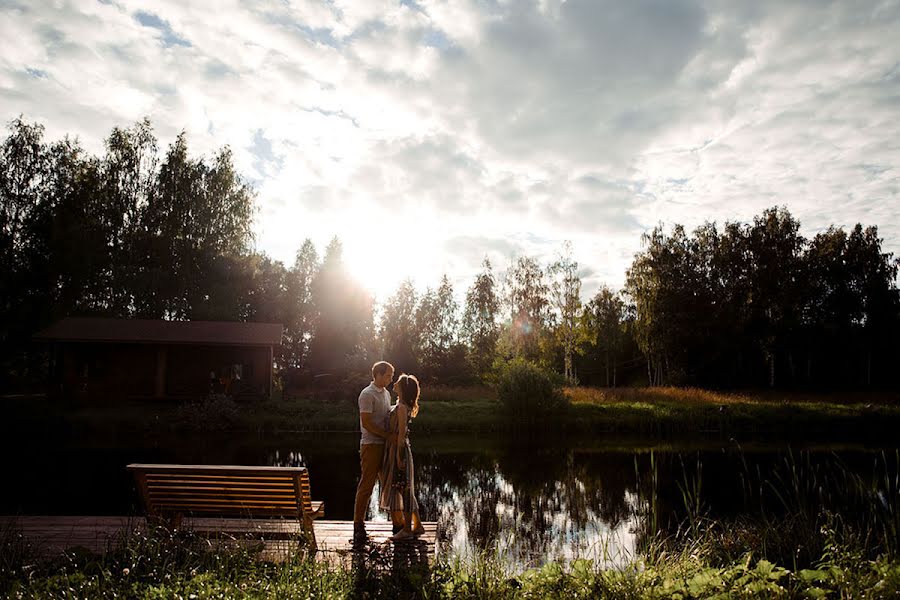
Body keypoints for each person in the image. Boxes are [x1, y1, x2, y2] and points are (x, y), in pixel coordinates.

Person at [353, 361, 395, 543]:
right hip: (371, 445)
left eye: (391, 376)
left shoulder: (386, 393)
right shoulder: (367, 394)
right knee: (367, 485)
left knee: (390, 484)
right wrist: (387, 435)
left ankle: (397, 522)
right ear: (377, 374)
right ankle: (358, 526)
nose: (391, 379)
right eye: (388, 376)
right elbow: (367, 423)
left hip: (384, 445)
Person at [380, 373, 425, 541]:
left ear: (403, 388)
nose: (394, 384)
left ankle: (406, 529)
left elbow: (401, 434)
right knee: (405, 488)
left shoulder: (401, 408)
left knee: (403, 488)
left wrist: (399, 457)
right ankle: (418, 525)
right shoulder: (401, 405)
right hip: (398, 449)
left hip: (399, 450)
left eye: (397, 382)